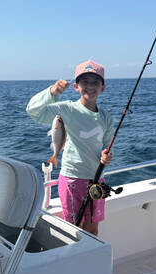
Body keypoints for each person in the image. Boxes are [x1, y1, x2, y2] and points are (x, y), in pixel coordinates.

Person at [26, 60, 113, 236]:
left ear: (103, 88)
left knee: (93, 229)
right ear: (75, 86)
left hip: (97, 180)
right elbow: (33, 110)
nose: (90, 86)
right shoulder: (66, 109)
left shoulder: (106, 117)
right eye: (85, 82)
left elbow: (106, 146)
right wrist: (52, 92)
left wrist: (107, 157)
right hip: (73, 179)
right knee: (74, 231)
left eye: (95, 82)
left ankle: (88, 262)